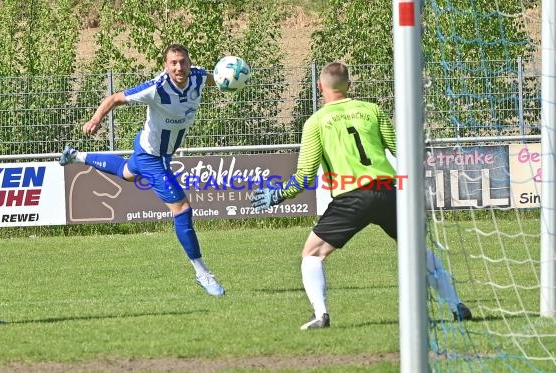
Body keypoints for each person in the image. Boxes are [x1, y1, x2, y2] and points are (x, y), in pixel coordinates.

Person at [251, 62, 472, 329]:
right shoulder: (372, 110)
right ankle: (455, 304)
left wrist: (279, 195)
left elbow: (305, 176)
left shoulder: (316, 122)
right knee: (415, 249)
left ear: (320, 87)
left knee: (311, 254)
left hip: (352, 197)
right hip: (388, 190)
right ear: (350, 86)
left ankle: (321, 315)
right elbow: (399, 148)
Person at [60, 43, 224, 297]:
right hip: (152, 156)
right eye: (173, 63)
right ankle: (202, 273)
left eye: (183, 61)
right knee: (182, 208)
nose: (179, 67)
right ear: (165, 66)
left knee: (126, 172)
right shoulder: (156, 88)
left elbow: (219, 79)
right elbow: (114, 98)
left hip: (150, 147)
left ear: (190, 62)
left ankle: (76, 156)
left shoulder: (199, 78)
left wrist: (230, 78)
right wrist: (95, 120)